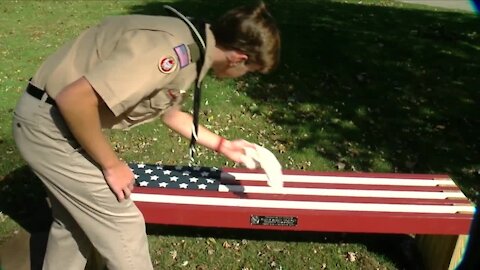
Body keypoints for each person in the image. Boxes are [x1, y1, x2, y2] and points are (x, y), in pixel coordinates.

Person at [11, 1, 280, 269]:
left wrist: (223, 145)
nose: (241, 77)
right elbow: (75, 100)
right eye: (249, 72)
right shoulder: (170, 52)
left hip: (53, 119)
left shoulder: (190, 42)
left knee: (75, 223)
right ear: (239, 58)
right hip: (48, 126)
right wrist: (112, 165)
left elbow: (170, 112)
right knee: (124, 225)